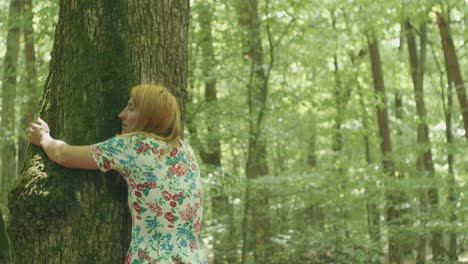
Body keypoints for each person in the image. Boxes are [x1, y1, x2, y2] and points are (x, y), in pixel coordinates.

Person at [28, 84, 207, 264]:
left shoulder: (133, 145)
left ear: (147, 114)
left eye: (131, 108)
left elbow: (64, 155)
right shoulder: (185, 150)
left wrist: (43, 137)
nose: (121, 114)